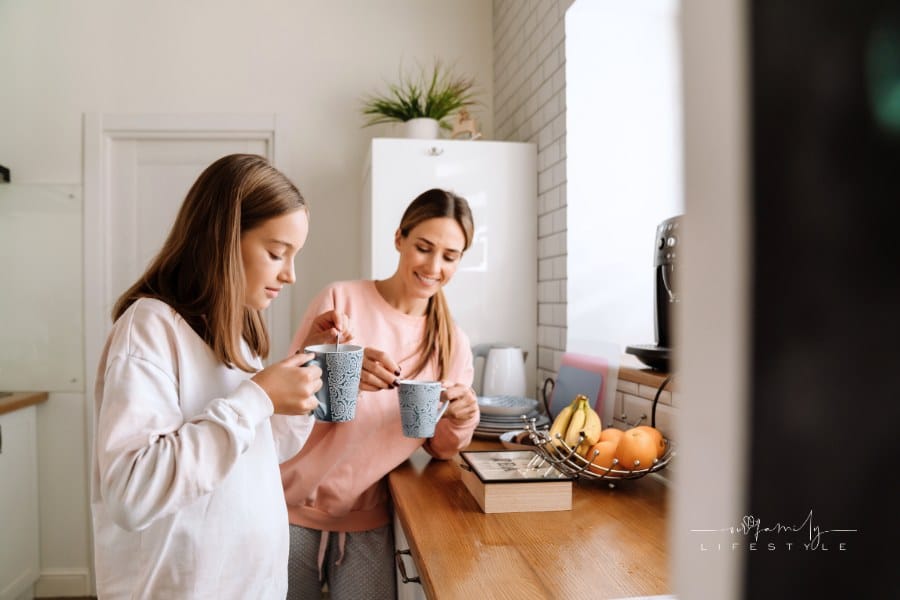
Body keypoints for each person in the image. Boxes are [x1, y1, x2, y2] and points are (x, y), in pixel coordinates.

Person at [90, 153, 349, 599]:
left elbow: (261, 453)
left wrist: (303, 368)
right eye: (275, 253)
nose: (290, 275)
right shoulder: (150, 327)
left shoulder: (237, 334)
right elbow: (133, 494)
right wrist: (256, 398)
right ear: (223, 240)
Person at [281, 187, 481, 600]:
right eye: (424, 248)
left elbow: (440, 447)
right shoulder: (342, 300)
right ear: (399, 239)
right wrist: (335, 372)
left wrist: (461, 416)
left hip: (368, 516)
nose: (433, 266)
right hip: (291, 507)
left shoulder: (452, 342)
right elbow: (288, 402)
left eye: (449, 255)